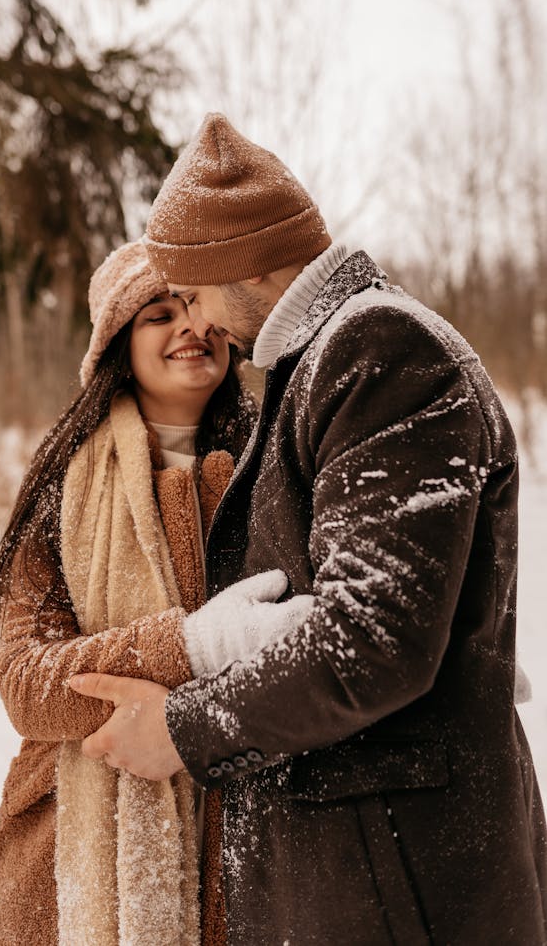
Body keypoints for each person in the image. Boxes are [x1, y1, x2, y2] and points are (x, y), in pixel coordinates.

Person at [69, 114, 547, 944]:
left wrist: (184, 727)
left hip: (399, 882)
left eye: (195, 292)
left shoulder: (380, 349)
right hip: (365, 874)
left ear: (240, 263)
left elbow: (372, 637)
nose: (201, 322)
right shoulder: (317, 361)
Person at [0, 240, 311, 946]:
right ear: (118, 344)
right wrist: (190, 643)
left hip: (245, 836)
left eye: (198, 305)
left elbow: (309, 641)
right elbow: (28, 681)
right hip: (68, 852)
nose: (191, 326)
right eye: (160, 312)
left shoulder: (277, 465)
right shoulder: (62, 483)